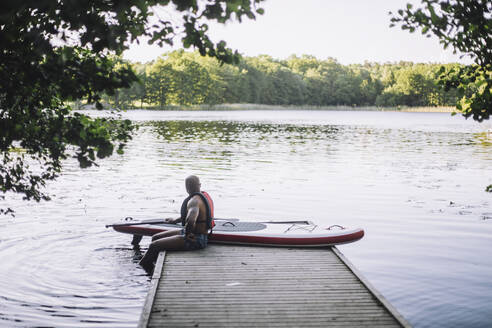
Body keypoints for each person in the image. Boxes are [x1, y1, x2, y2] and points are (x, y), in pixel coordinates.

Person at [138, 175, 214, 273]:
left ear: (187, 187)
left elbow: (191, 221)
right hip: (198, 235)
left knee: (154, 246)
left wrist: (187, 234)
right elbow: (195, 216)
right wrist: (174, 221)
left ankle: (144, 269)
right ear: (199, 185)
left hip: (196, 239)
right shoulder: (202, 196)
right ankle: (154, 265)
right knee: (155, 237)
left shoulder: (194, 201)